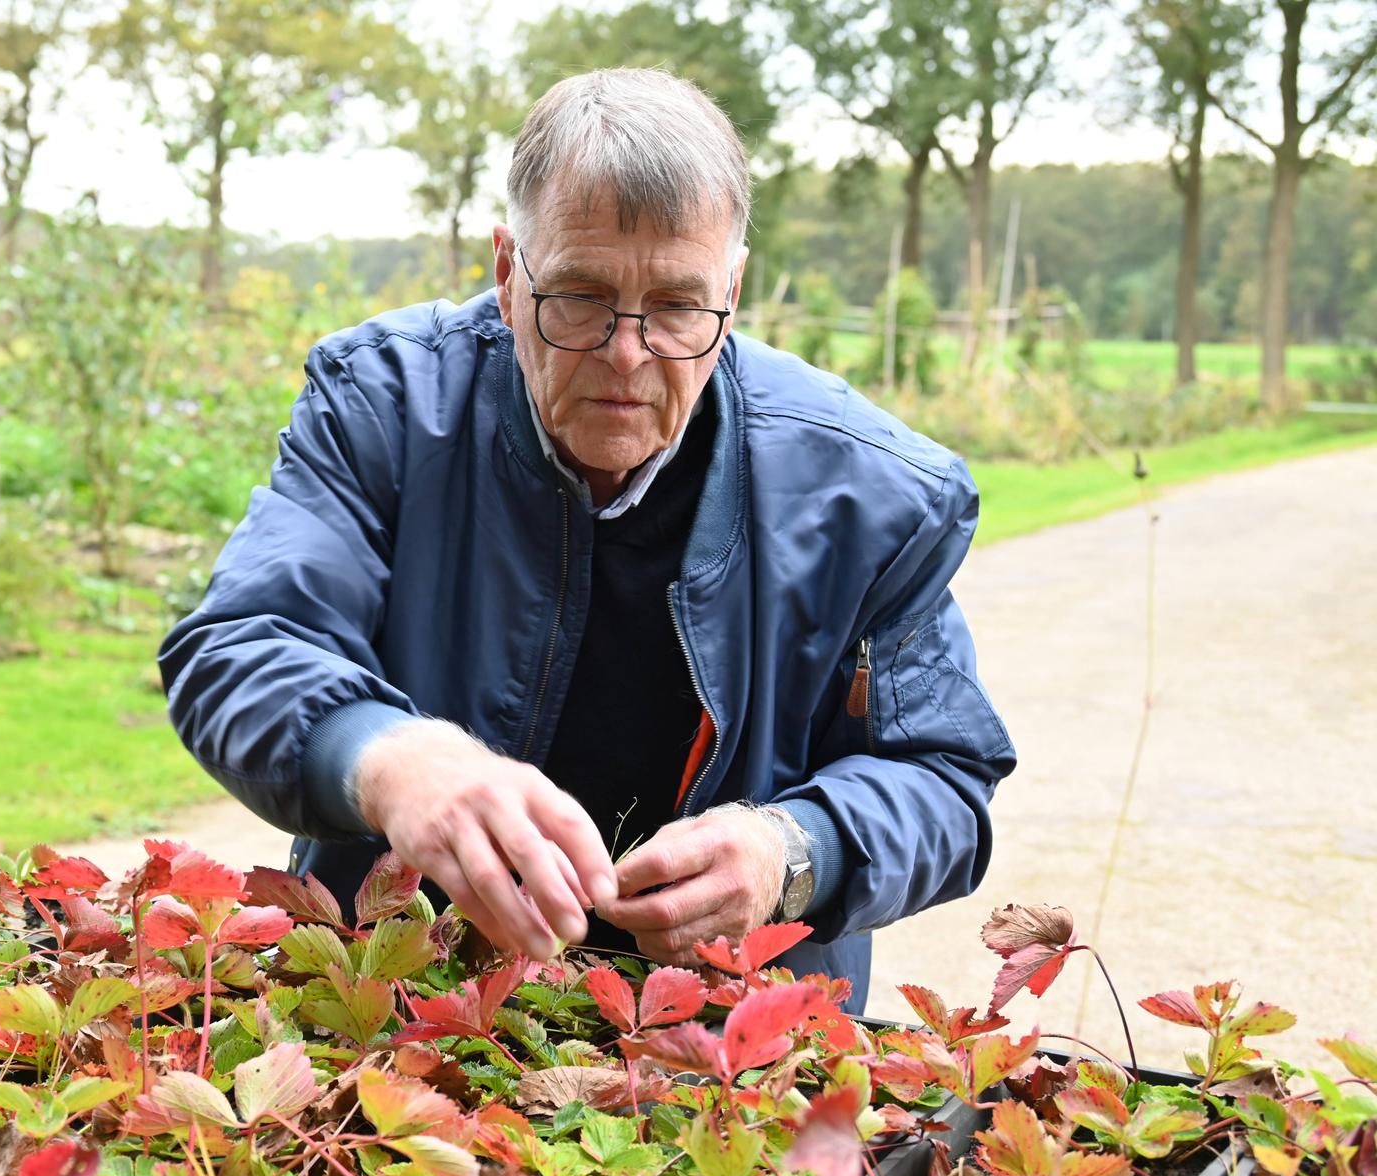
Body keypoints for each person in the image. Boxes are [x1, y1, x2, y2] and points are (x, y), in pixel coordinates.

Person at [158, 67, 1015, 1006]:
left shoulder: (873, 495)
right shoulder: (384, 408)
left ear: (733, 291)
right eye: (579, 296)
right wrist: (391, 760)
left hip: (728, 1043)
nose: (627, 352)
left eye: (679, 306)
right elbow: (240, 644)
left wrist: (793, 852)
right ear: (506, 275)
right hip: (406, 1011)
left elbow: (942, 776)